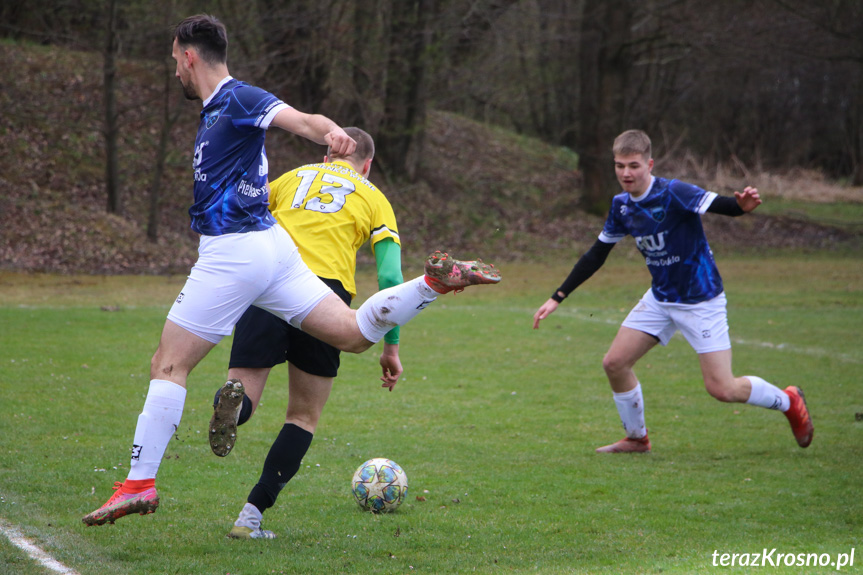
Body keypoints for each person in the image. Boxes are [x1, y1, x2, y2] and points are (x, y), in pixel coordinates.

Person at [82, 14, 500, 528]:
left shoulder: (238, 98)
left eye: (174, 62)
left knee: (169, 365)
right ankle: (433, 282)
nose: (175, 73)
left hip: (235, 253)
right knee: (351, 334)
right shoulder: (221, 109)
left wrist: (333, 135)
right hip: (274, 250)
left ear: (189, 56)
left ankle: (138, 485)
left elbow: (305, 121)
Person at [532, 129, 812, 454]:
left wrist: (742, 207)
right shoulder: (621, 206)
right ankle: (637, 439)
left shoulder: (674, 192)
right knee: (615, 363)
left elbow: (723, 205)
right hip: (660, 298)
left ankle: (788, 400)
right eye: (620, 165)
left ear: (649, 164)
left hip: (700, 300)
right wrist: (557, 297)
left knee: (722, 388)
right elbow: (596, 254)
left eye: (634, 165)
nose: (626, 173)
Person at [209, 127, 406, 539]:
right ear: (366, 165)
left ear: (327, 154)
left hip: (267, 284)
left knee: (245, 391)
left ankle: (233, 405)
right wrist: (391, 345)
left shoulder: (292, 177)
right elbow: (390, 275)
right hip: (324, 298)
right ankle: (250, 516)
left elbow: (237, 218)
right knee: (302, 416)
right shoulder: (372, 196)